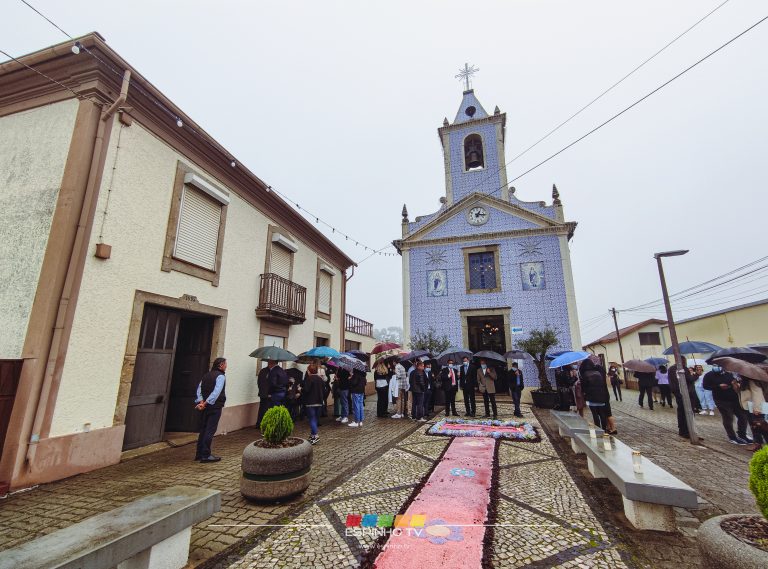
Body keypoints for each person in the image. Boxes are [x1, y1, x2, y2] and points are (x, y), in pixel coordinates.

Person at [703, 364, 752, 445]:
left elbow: (736, 385)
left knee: (743, 416)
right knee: (728, 418)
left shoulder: (729, 374)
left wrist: (734, 384)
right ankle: (732, 437)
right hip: (721, 400)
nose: (717, 367)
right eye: (715, 365)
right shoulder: (708, 375)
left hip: (734, 399)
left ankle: (742, 435)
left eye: (718, 365)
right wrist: (718, 386)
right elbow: (705, 386)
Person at [194, 357, 227, 463]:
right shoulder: (220, 376)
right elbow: (216, 392)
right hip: (214, 406)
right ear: (221, 365)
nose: (226, 366)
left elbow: (199, 389)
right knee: (210, 430)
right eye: (225, 364)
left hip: (205, 407)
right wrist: (206, 402)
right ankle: (206, 455)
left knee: (203, 430)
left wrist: (201, 402)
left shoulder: (206, 375)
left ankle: (199, 454)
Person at [669, 358, 698, 438]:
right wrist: (696, 374)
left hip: (678, 392)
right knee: (688, 412)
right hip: (686, 393)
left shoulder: (671, 368)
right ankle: (688, 431)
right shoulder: (683, 368)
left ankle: (682, 430)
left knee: (681, 411)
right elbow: (690, 379)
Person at [579, 359, 610, 431]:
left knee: (595, 414)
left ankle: (598, 429)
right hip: (601, 396)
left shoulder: (585, 374)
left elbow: (584, 387)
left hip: (591, 397)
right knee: (602, 414)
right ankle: (604, 430)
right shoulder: (598, 373)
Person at [303, 362, 325, 445]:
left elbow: (306, 390)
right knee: (315, 419)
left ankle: (315, 436)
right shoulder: (320, 379)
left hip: (310, 402)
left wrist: (301, 389)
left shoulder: (309, 379)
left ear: (309, 371)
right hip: (319, 402)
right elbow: (324, 390)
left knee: (312, 419)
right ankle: (312, 435)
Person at [256, 364, 271, 428]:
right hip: (267, 394)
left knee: (262, 409)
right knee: (265, 409)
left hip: (262, 393)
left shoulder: (262, 371)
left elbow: (258, 382)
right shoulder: (268, 372)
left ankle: (259, 423)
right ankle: (263, 424)